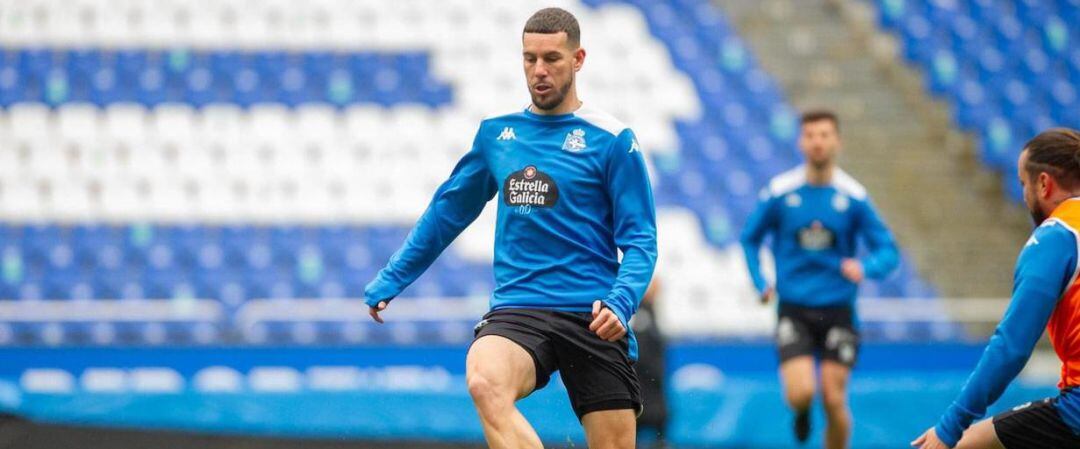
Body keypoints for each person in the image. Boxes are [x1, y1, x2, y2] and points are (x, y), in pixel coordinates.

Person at [362, 8, 657, 449]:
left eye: (552, 59)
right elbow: (447, 212)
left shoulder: (613, 140)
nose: (539, 71)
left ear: (578, 59)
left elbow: (640, 241)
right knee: (484, 382)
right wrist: (392, 277)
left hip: (594, 312)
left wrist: (621, 302)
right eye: (529, 58)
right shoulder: (498, 135)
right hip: (520, 307)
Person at [740, 110, 900, 449]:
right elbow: (750, 238)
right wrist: (760, 281)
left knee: (833, 397)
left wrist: (865, 267)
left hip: (838, 309)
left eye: (824, 135)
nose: (817, 142)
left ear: (837, 141)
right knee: (801, 394)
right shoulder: (781, 192)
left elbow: (888, 250)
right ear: (801, 141)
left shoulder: (853, 197)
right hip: (794, 308)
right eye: (811, 135)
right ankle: (801, 412)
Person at [912, 128, 1080, 449]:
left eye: (1023, 184)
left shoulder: (1057, 236)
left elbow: (1012, 346)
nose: (1024, 194)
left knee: (964, 445)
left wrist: (950, 427)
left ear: (1043, 183)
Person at [632, 278, 670, 449]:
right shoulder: (642, 316)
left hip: (653, 392)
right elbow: (641, 355)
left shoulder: (649, 313)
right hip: (645, 393)